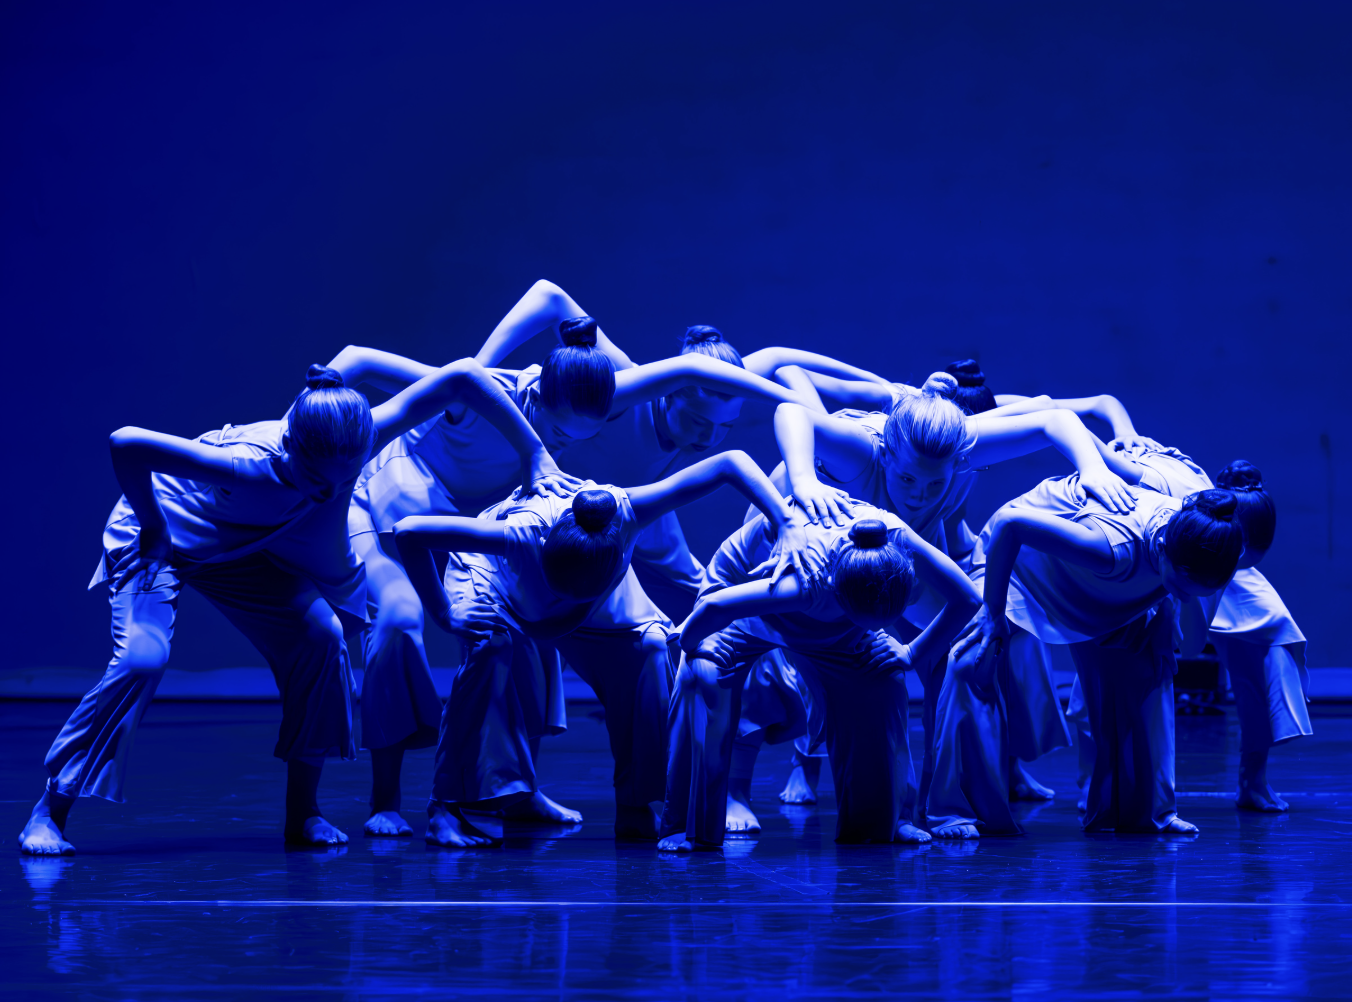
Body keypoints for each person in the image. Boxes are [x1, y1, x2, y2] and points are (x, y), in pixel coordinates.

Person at [19, 358, 572, 855]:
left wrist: (535, 453)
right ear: (290, 449)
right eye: (314, 480)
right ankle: (49, 811)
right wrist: (155, 527)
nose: (328, 494)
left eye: (341, 482)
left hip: (248, 548)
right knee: (143, 659)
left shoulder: (357, 438)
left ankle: (302, 812)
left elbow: (462, 376)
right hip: (168, 534)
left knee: (322, 638)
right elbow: (127, 444)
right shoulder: (245, 463)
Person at [763, 373, 1136, 837]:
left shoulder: (964, 447)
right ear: (887, 454)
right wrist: (803, 481)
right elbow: (792, 410)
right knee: (823, 662)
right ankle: (792, 770)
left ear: (958, 464)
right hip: (807, 540)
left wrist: (1094, 468)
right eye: (906, 479)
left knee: (968, 648)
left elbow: (1053, 420)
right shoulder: (861, 451)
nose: (917, 495)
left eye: (934, 484)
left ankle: (946, 798)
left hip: (899, 553)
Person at [393, 450, 815, 847]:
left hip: (593, 601)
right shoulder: (520, 534)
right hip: (501, 582)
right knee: (490, 645)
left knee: (651, 649)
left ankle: (635, 804)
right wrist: (443, 613)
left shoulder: (628, 512)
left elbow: (730, 462)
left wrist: (786, 522)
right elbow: (409, 532)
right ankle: (444, 808)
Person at [659, 508, 980, 851]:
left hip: (841, 615)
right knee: (703, 672)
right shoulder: (808, 583)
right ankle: (687, 826)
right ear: (838, 595)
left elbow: (969, 597)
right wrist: (690, 644)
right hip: (743, 594)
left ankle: (887, 819)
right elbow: (714, 607)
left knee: (883, 678)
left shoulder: (897, 541)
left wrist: (912, 653)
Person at [958, 479, 1246, 834]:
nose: (1186, 597)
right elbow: (1010, 523)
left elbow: (1186, 622)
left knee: (1148, 666)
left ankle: (1143, 812)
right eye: (1180, 589)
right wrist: (993, 610)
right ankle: (967, 807)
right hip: (1020, 565)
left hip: (1110, 583)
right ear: (1163, 550)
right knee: (973, 657)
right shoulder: (1111, 548)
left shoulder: (1205, 535)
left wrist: (1167, 610)